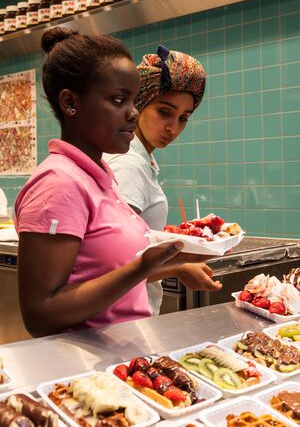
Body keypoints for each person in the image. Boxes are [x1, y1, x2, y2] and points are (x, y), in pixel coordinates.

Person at [14, 27, 222, 338]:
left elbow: (102, 268)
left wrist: (167, 263)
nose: (132, 113)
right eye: (118, 100)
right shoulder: (58, 183)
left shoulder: (99, 176)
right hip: (86, 369)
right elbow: (41, 315)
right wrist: (142, 267)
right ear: (71, 102)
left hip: (121, 357)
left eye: (133, 101)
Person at [104, 45, 206, 315]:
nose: (173, 127)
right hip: (123, 319)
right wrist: (179, 267)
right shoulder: (128, 164)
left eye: (183, 118)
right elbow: (114, 265)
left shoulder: (142, 159)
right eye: (164, 112)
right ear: (138, 104)